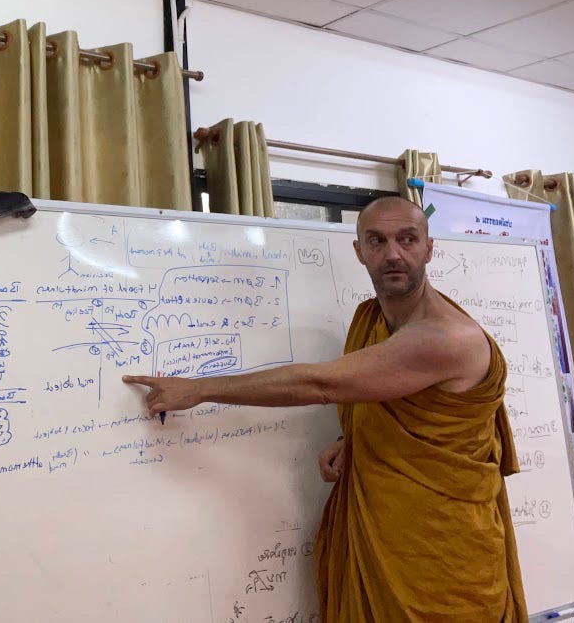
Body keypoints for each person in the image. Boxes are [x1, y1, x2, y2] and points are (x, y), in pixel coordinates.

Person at [124, 195, 526, 621]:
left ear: (429, 247)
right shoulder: (371, 318)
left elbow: (320, 384)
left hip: (441, 547)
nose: (393, 253)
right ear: (359, 252)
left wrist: (199, 389)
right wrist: (350, 436)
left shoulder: (446, 337)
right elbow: (399, 400)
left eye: (407, 239)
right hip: (384, 525)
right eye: (377, 241)